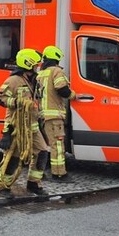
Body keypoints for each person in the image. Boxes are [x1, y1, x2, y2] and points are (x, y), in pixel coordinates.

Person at [0, 49, 48, 196]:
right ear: (27, 64)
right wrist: (18, 102)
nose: (38, 67)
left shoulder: (35, 80)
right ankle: (3, 185)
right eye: (35, 64)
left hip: (33, 126)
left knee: (42, 152)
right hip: (16, 126)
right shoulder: (13, 81)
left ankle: (33, 183)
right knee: (13, 158)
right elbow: (0, 99)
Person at [36, 45, 76, 179]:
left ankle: (39, 172)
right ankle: (59, 173)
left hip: (42, 115)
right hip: (54, 116)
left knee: (44, 145)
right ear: (57, 58)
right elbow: (62, 90)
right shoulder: (56, 72)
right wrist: (74, 95)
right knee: (57, 145)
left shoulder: (41, 73)